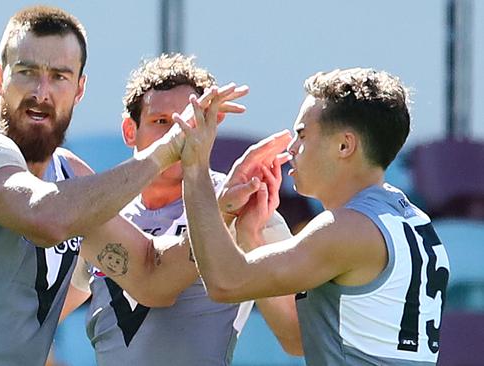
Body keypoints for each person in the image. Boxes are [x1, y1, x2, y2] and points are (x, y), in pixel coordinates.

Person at [0, 6, 249, 366]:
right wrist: (167, 149)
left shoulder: (70, 177)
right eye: (27, 72)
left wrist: (220, 211)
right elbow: (44, 216)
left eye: (59, 76)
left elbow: (151, 277)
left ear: (80, 88)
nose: (41, 92)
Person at [177, 68, 450, 365]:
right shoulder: (412, 218)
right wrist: (253, 237)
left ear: (345, 146)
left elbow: (225, 282)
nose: (293, 148)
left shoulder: (348, 228)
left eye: (302, 134)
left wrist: (194, 167)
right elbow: (298, 339)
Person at [59, 54, 300, 365]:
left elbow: (295, 338)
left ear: (211, 125)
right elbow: (42, 317)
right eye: (161, 122)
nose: (177, 134)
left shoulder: (244, 205)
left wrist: (250, 238)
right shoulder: (103, 212)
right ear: (130, 131)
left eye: (190, 120)